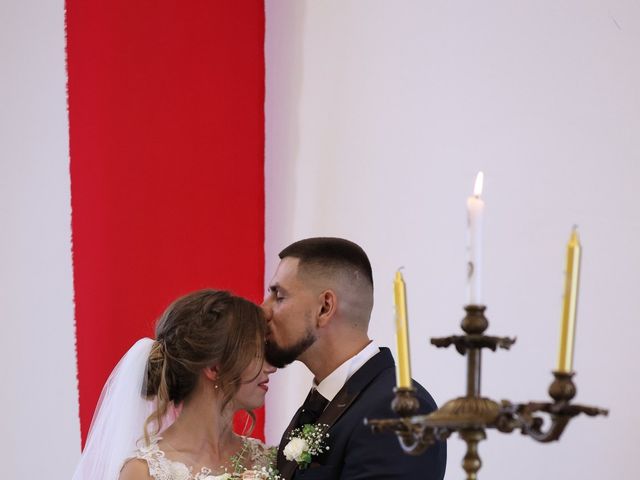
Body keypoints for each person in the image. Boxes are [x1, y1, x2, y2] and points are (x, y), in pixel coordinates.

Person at [262, 237, 447, 480]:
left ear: (325, 308)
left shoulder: (398, 411)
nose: (264, 309)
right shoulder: (322, 402)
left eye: (279, 295)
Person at [73, 289, 279, 480]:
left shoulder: (268, 459)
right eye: (256, 353)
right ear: (214, 368)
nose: (271, 367)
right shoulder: (144, 473)